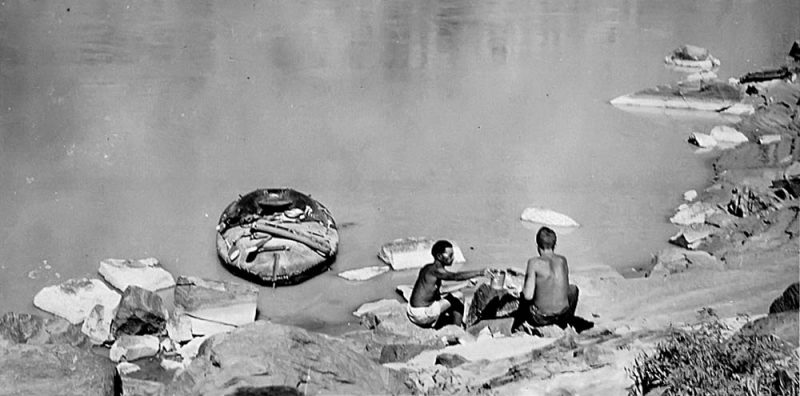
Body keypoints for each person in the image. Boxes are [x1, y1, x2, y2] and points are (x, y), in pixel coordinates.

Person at [512, 227, 593, 334]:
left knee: (524, 295)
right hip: (563, 314)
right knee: (573, 289)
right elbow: (563, 287)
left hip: (541, 318)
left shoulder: (534, 263)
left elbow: (528, 295)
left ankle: (517, 325)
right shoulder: (562, 260)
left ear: (537, 245)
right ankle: (567, 320)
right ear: (554, 245)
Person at [407, 240, 492, 329]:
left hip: (412, 311)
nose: (453, 258)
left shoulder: (428, 268)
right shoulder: (437, 271)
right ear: (439, 256)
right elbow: (455, 276)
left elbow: (441, 290)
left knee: (453, 296)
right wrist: (480, 272)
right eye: (450, 255)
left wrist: (466, 284)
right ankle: (456, 331)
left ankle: (449, 324)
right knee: (458, 298)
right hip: (421, 315)